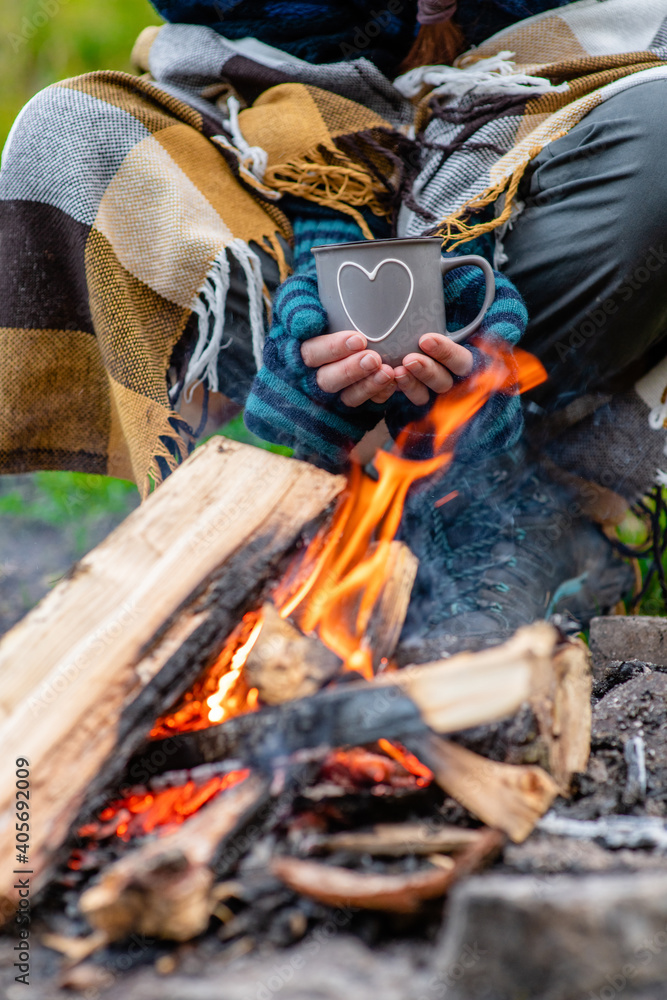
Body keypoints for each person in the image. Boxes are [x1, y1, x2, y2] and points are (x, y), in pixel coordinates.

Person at [2, 0, 666, 656]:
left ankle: (496, 492)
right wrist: (328, 214)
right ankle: (252, 492)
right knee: (68, 133)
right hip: (258, 100)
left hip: (542, 74)